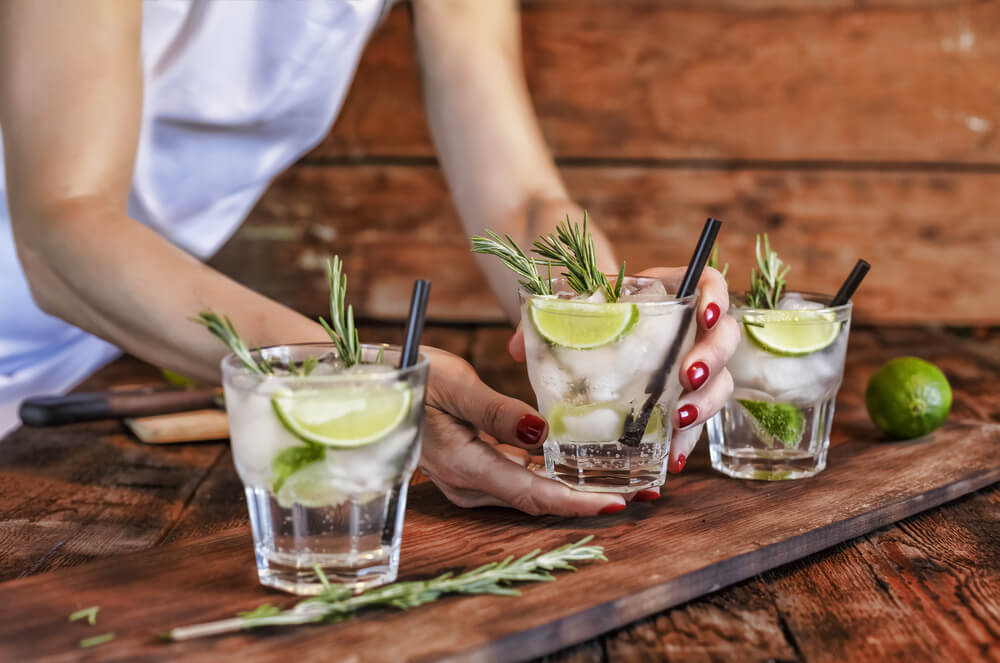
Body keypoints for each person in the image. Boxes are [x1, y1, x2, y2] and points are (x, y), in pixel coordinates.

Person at [0, 1, 738, 515]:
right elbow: (60, 227)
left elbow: (519, 199)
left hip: (108, 324)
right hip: (62, 279)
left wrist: (612, 323)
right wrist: (358, 377)